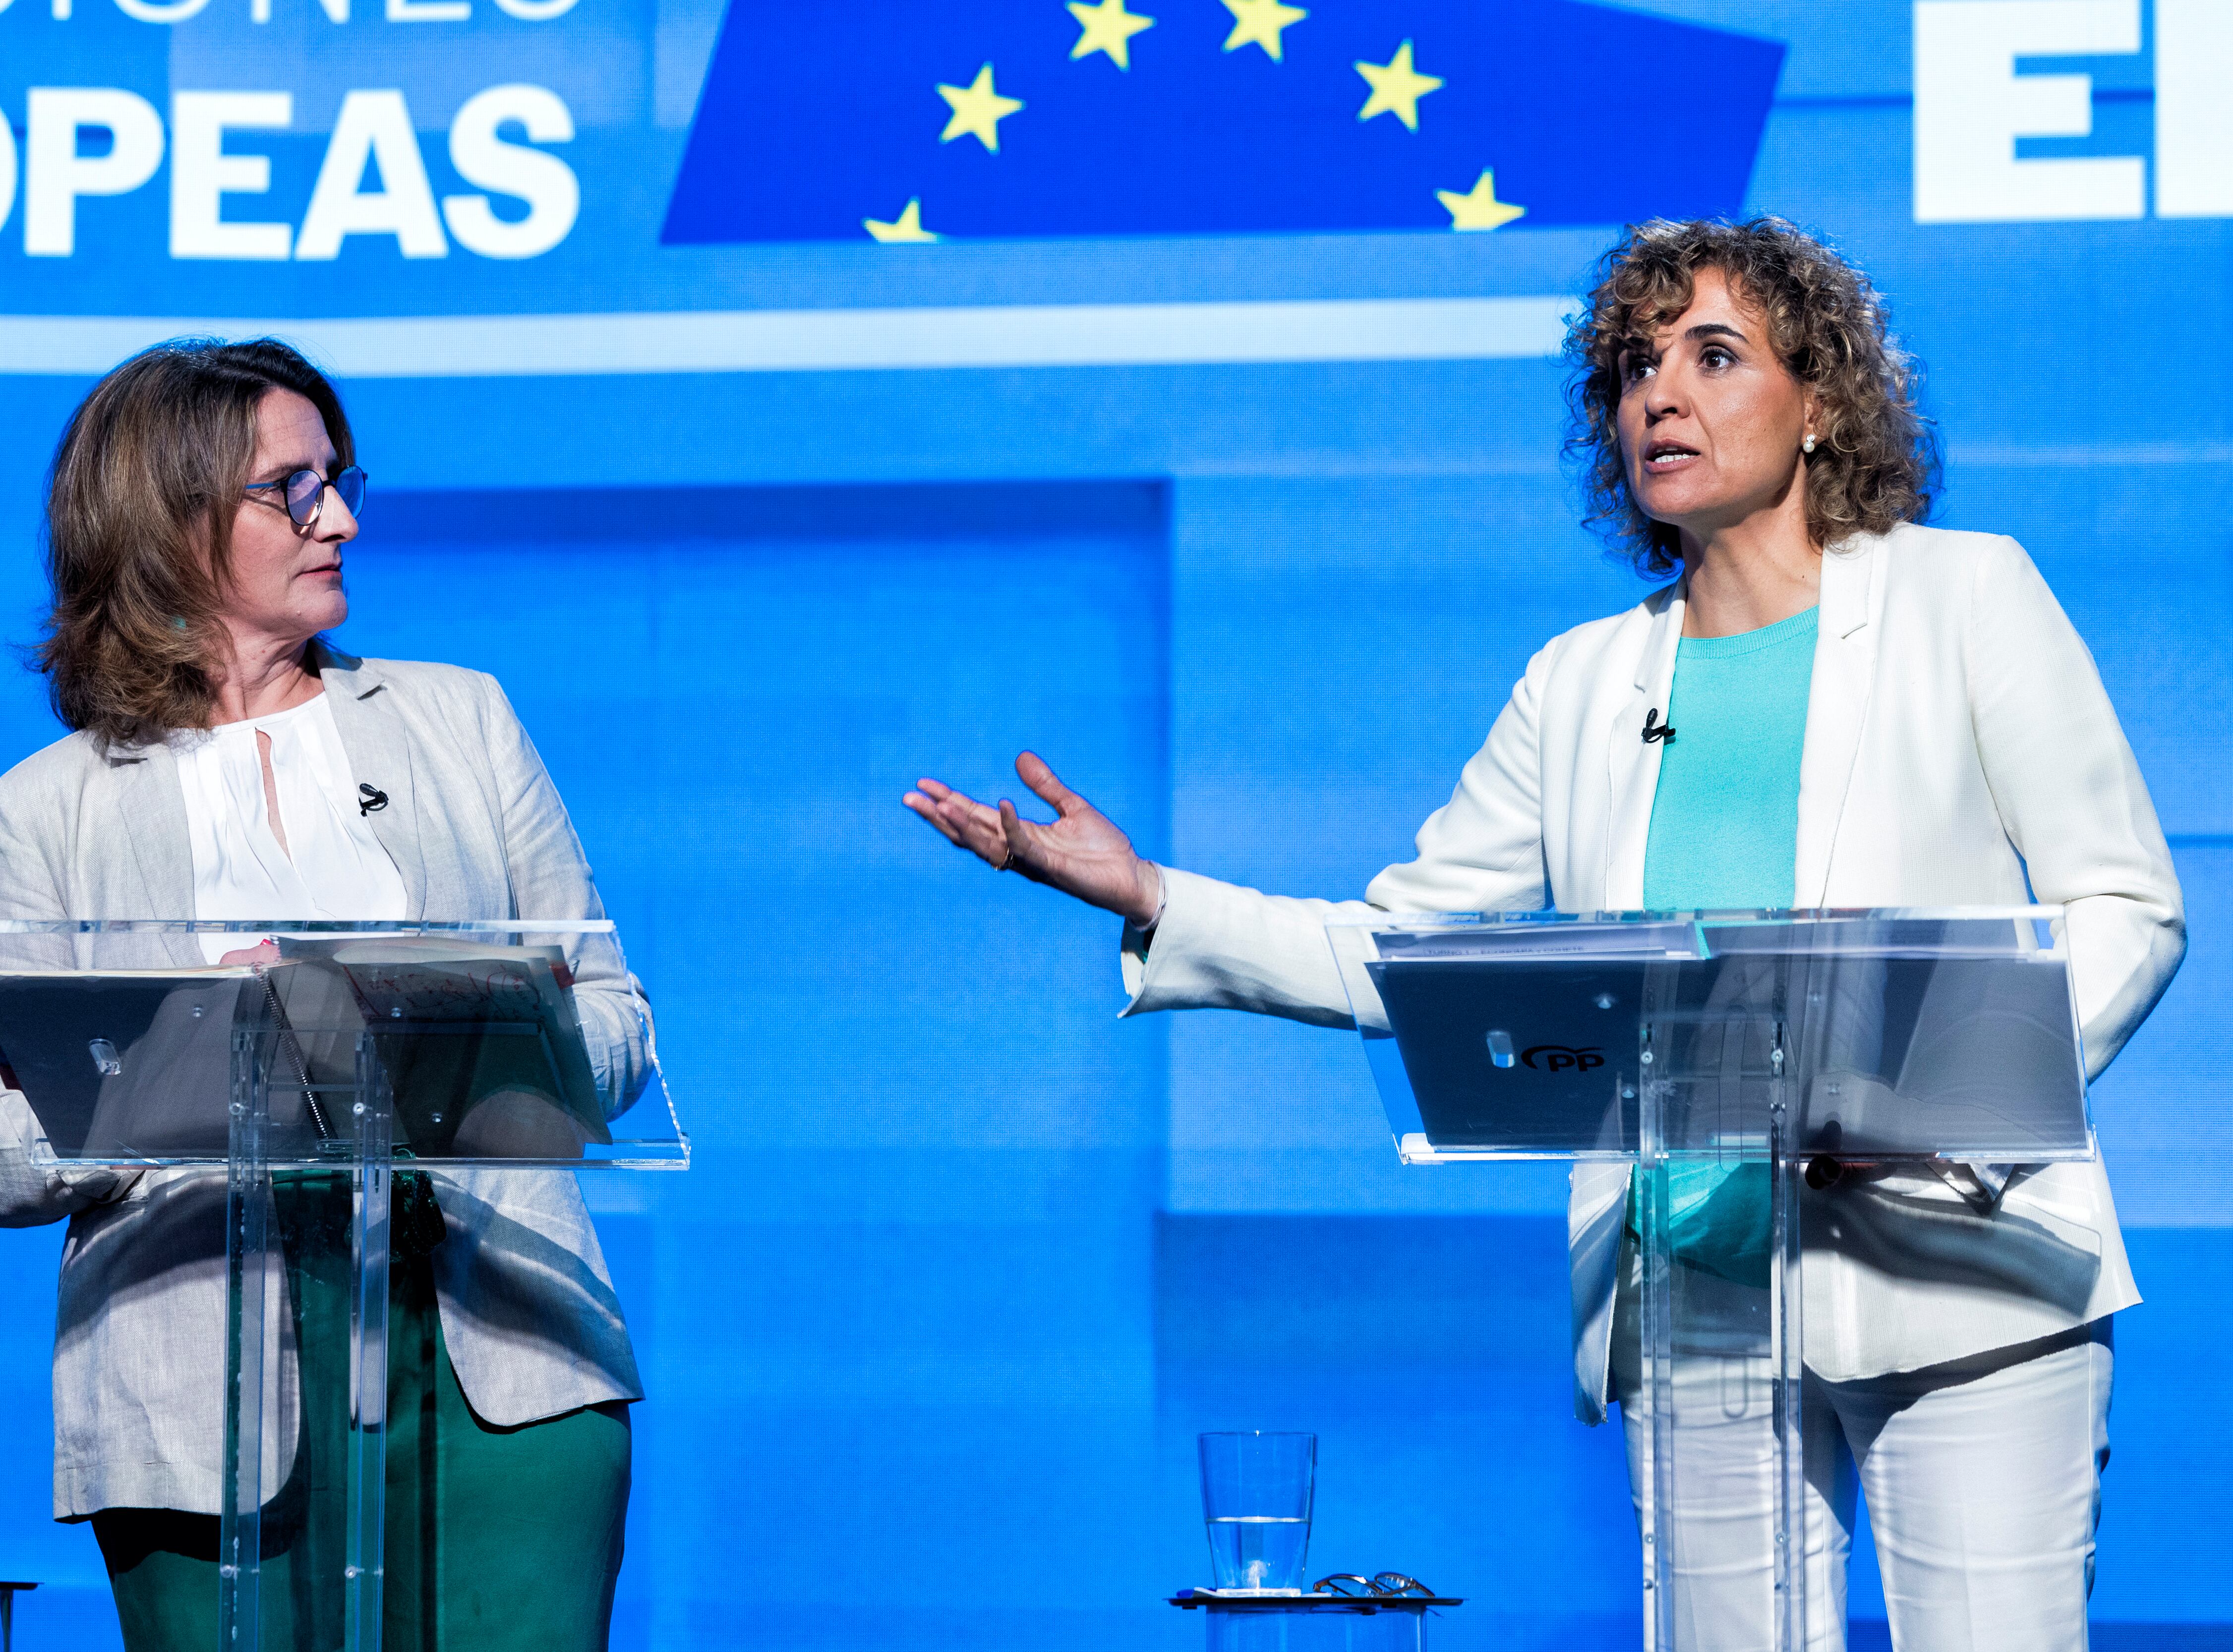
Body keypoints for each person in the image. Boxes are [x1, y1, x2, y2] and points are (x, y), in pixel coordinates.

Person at [905, 218, 2183, 1651]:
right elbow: (1404, 953)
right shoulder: (1578, 685)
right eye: (1634, 369)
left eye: (1713, 356)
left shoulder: (1968, 598)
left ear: (1822, 400)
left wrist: (1944, 1109)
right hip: (1696, 1282)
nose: (1660, 397)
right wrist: (1155, 898)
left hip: (1964, 1266)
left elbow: (2127, 906)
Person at [0, 339, 642, 1652]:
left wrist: (467, 1020)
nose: (344, 521)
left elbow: (616, 1032)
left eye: (340, 479)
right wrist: (184, 1054)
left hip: (501, 1356)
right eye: (294, 489)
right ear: (173, 518)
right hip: (190, 1386)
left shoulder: (463, 721)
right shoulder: (46, 810)